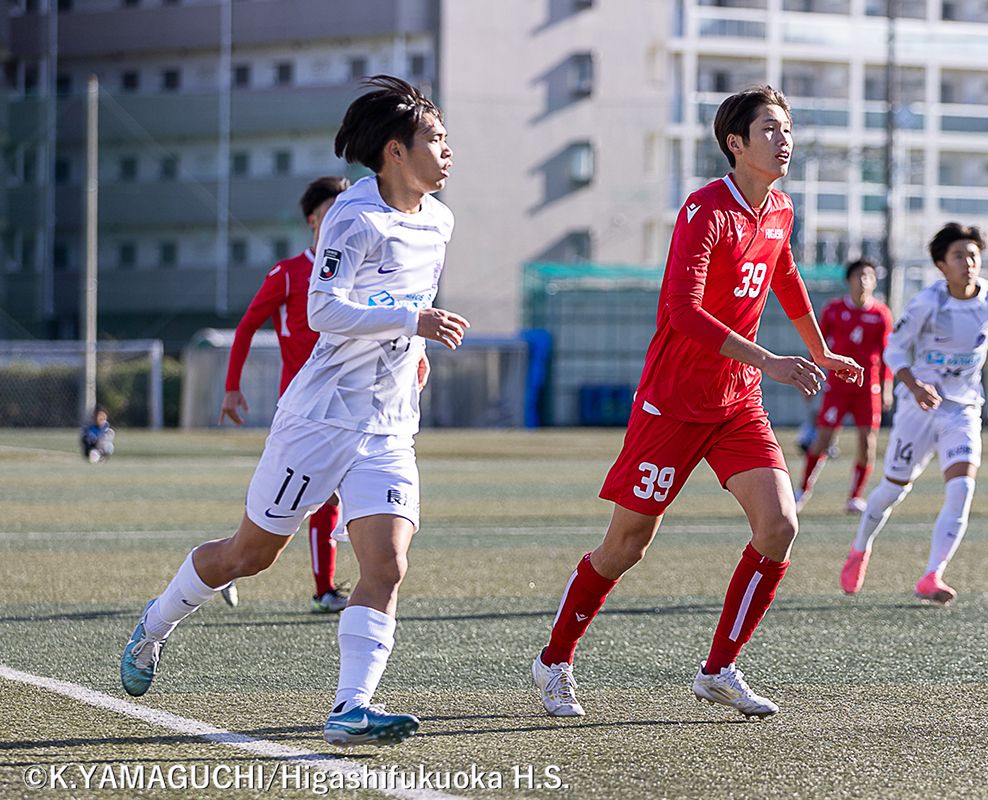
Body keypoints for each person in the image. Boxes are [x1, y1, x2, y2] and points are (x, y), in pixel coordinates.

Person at [121, 75, 470, 747]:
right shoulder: (353, 216)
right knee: (248, 555)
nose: (448, 150)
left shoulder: (442, 219)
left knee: (388, 565)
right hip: (319, 418)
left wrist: (412, 348)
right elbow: (323, 309)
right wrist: (411, 319)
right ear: (396, 151)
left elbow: (405, 300)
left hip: (390, 422)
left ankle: (349, 708)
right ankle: (156, 624)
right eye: (436, 138)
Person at [531, 86, 863, 719]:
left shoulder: (781, 209)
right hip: (673, 405)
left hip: (737, 403)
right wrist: (772, 359)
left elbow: (785, 276)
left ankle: (719, 669)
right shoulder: (704, 210)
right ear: (735, 143)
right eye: (769, 129)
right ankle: (556, 658)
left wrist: (818, 351)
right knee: (626, 545)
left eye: (786, 128)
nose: (783, 139)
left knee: (780, 525)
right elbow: (684, 312)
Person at [839, 222, 988, 606]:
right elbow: (895, 351)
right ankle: (859, 548)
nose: (968, 262)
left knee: (963, 488)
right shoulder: (927, 303)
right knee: (892, 491)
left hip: (963, 409)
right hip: (917, 409)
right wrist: (915, 385)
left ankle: (932, 574)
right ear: (941, 264)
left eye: (973, 255)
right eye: (958, 256)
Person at [218, 175, 351, 613]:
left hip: (350, 404)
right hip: (303, 408)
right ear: (314, 220)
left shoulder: (358, 271)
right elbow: (246, 326)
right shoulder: (291, 272)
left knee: (337, 497)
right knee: (282, 511)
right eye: (333, 210)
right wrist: (232, 387)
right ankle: (223, 566)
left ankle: (326, 590)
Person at [795, 258, 893, 514]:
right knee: (823, 439)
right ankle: (802, 490)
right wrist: (809, 373)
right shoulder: (834, 310)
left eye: (869, 276)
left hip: (867, 389)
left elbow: (888, 355)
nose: (864, 281)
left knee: (867, 443)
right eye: (859, 276)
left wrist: (888, 387)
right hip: (838, 387)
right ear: (849, 280)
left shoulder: (881, 314)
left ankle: (854, 497)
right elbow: (817, 346)